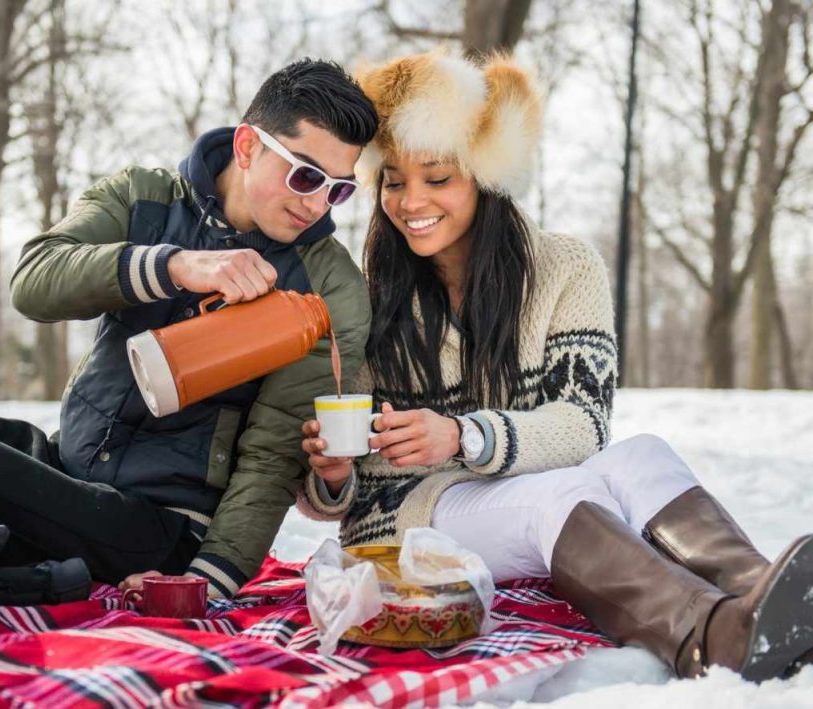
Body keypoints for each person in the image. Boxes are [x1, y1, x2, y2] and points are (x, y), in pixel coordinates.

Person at [296, 51, 813, 682]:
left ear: (483, 177)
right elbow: (335, 491)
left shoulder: (565, 268)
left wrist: (466, 434)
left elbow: (584, 422)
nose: (411, 202)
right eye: (395, 181)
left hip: (515, 484)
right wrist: (331, 473)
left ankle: (771, 596)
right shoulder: (369, 294)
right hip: (402, 519)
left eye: (437, 178)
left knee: (640, 452)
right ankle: (714, 637)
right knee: (558, 494)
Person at [0, 58, 377, 601]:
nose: (318, 205)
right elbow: (36, 281)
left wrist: (210, 579)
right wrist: (171, 266)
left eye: (339, 189)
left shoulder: (327, 286)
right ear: (247, 146)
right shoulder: (142, 197)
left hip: (161, 522)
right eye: (305, 176)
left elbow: (273, 450)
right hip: (64, 466)